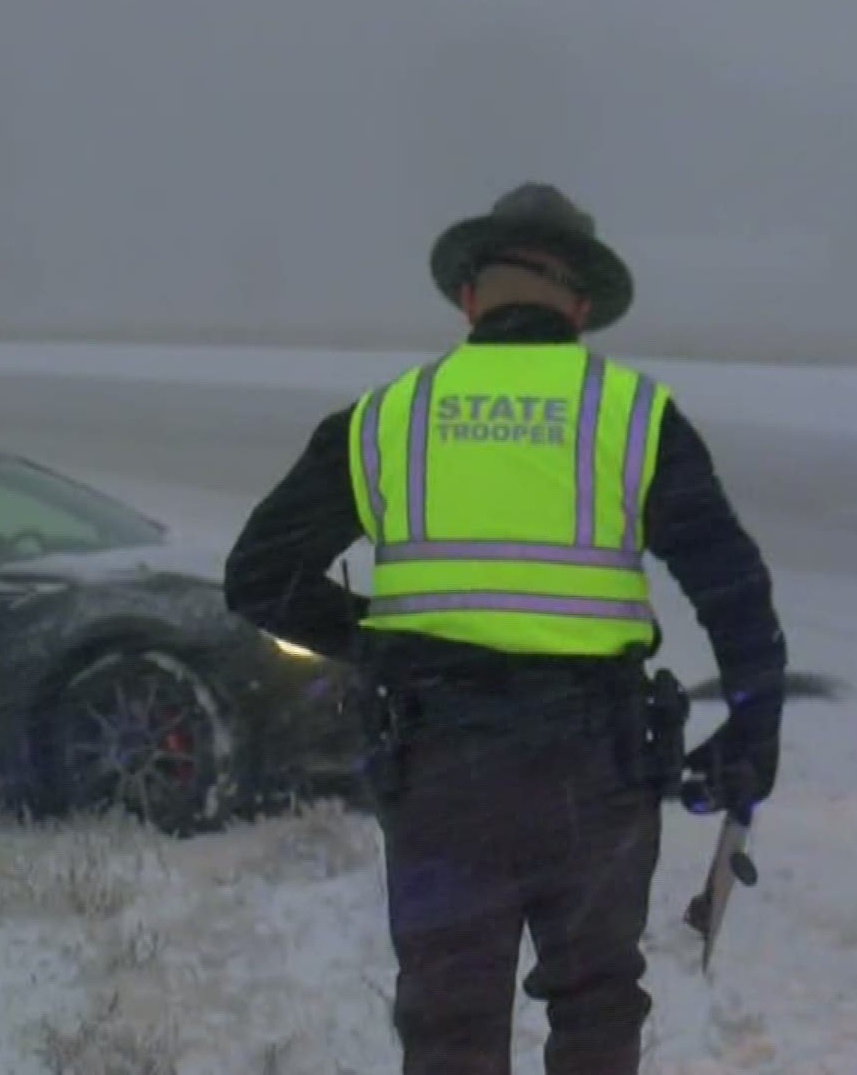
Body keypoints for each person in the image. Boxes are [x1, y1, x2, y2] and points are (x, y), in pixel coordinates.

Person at [221, 183, 788, 1074]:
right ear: (582, 304)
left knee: (449, 1023)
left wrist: (389, 641)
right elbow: (733, 589)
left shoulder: (383, 423)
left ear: (470, 296)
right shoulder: (633, 419)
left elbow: (259, 577)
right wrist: (755, 722)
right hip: (595, 773)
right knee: (596, 1005)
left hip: (443, 770)